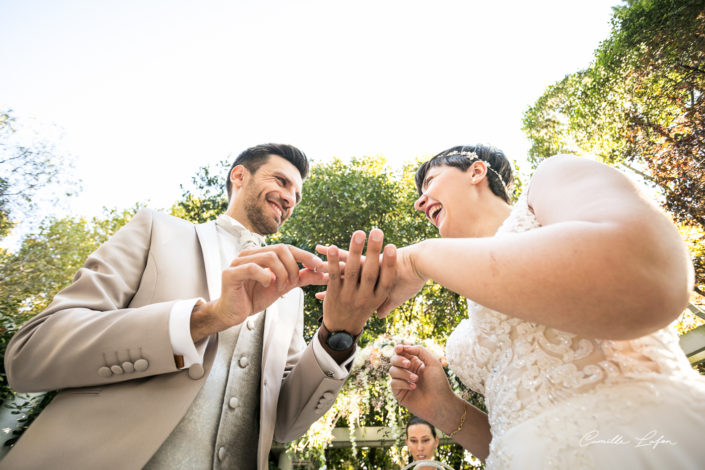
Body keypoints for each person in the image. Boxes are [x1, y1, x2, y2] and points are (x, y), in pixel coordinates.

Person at [2, 143, 396, 470]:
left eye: (297, 193)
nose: (291, 197)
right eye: (281, 180)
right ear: (239, 176)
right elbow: (29, 355)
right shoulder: (156, 231)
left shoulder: (291, 295)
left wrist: (338, 335)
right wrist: (205, 318)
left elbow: (286, 424)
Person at [382, 145, 705, 468]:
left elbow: (648, 271)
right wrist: (446, 410)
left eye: (431, 181)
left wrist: (418, 258)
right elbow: (521, 442)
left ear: (477, 172)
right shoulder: (469, 312)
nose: (419, 202)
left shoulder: (549, 184)